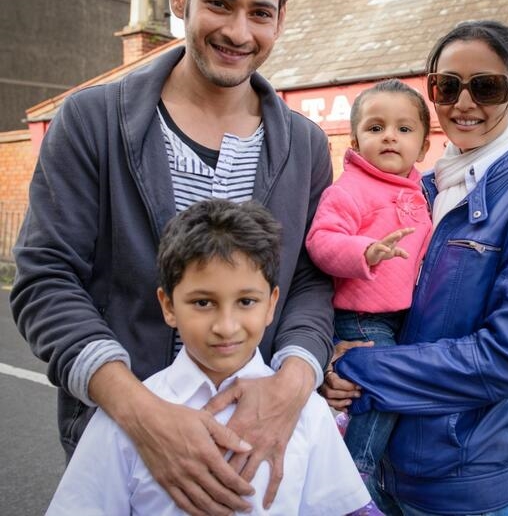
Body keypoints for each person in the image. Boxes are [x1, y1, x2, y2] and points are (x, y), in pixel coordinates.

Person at [11, 0, 335, 514]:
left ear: (281, 17)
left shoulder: (306, 146)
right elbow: (46, 278)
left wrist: (292, 386)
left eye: (261, 12)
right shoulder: (90, 121)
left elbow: (312, 280)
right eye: (219, 3)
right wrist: (142, 415)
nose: (239, 31)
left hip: (257, 450)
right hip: (124, 448)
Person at [321, 20, 508, 515]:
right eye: (447, 85)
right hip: (383, 474)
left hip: (461, 488)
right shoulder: (423, 190)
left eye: (485, 87)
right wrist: (331, 354)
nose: (463, 103)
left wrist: (360, 367)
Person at [46, 199, 371, 516]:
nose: (225, 327)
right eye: (203, 302)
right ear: (169, 305)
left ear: (272, 304)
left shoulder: (306, 412)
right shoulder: (122, 422)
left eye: (246, 301)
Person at [305, 79, 432, 503]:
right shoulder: (350, 189)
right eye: (376, 128)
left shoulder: (421, 191)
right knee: (382, 391)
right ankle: (354, 472)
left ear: (424, 145)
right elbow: (321, 241)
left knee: (384, 391)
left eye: (404, 128)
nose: (390, 136)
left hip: (399, 319)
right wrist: (366, 251)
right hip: (362, 317)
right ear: (356, 140)